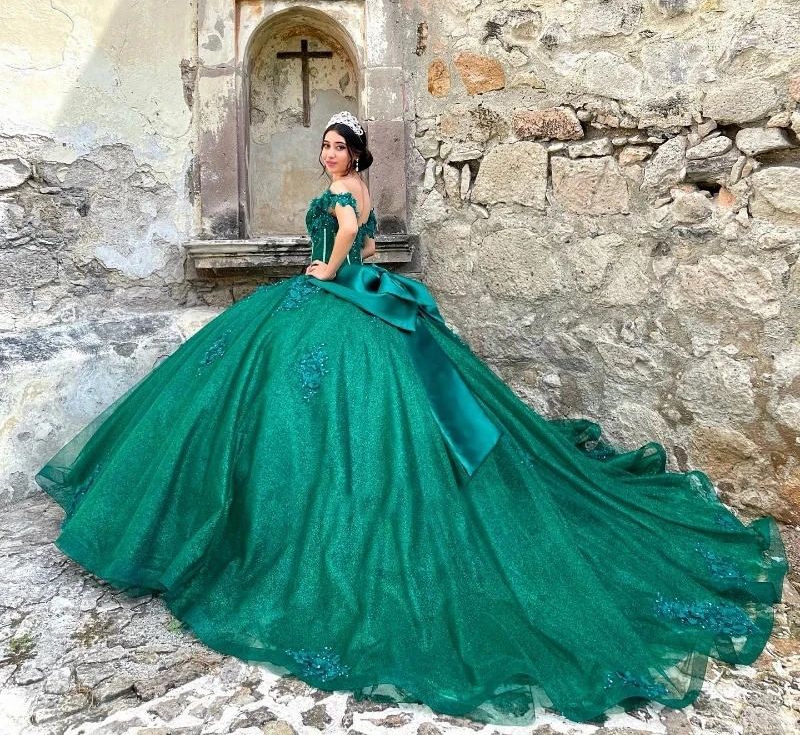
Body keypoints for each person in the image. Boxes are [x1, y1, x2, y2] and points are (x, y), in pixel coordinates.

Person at [34, 110, 788, 726]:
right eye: (325, 147)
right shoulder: (359, 190)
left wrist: (310, 274)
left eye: (338, 147)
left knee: (311, 418)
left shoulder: (343, 194)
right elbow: (361, 250)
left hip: (331, 299)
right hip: (363, 301)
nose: (329, 155)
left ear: (355, 152)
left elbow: (329, 265)